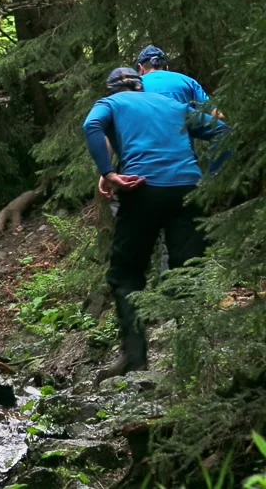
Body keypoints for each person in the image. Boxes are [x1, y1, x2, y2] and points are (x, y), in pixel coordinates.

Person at [83, 67, 229, 377]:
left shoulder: (110, 104)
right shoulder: (174, 105)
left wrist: (108, 172)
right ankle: (194, 357)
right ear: (141, 87)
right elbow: (222, 131)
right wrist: (212, 178)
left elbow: (91, 125)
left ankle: (135, 358)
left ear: (112, 89)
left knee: (126, 274)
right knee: (187, 271)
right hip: (188, 191)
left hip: (142, 189)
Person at [136, 45, 225, 120]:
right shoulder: (188, 81)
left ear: (141, 68)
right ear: (166, 66)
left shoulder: (135, 86)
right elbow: (218, 116)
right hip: (182, 140)